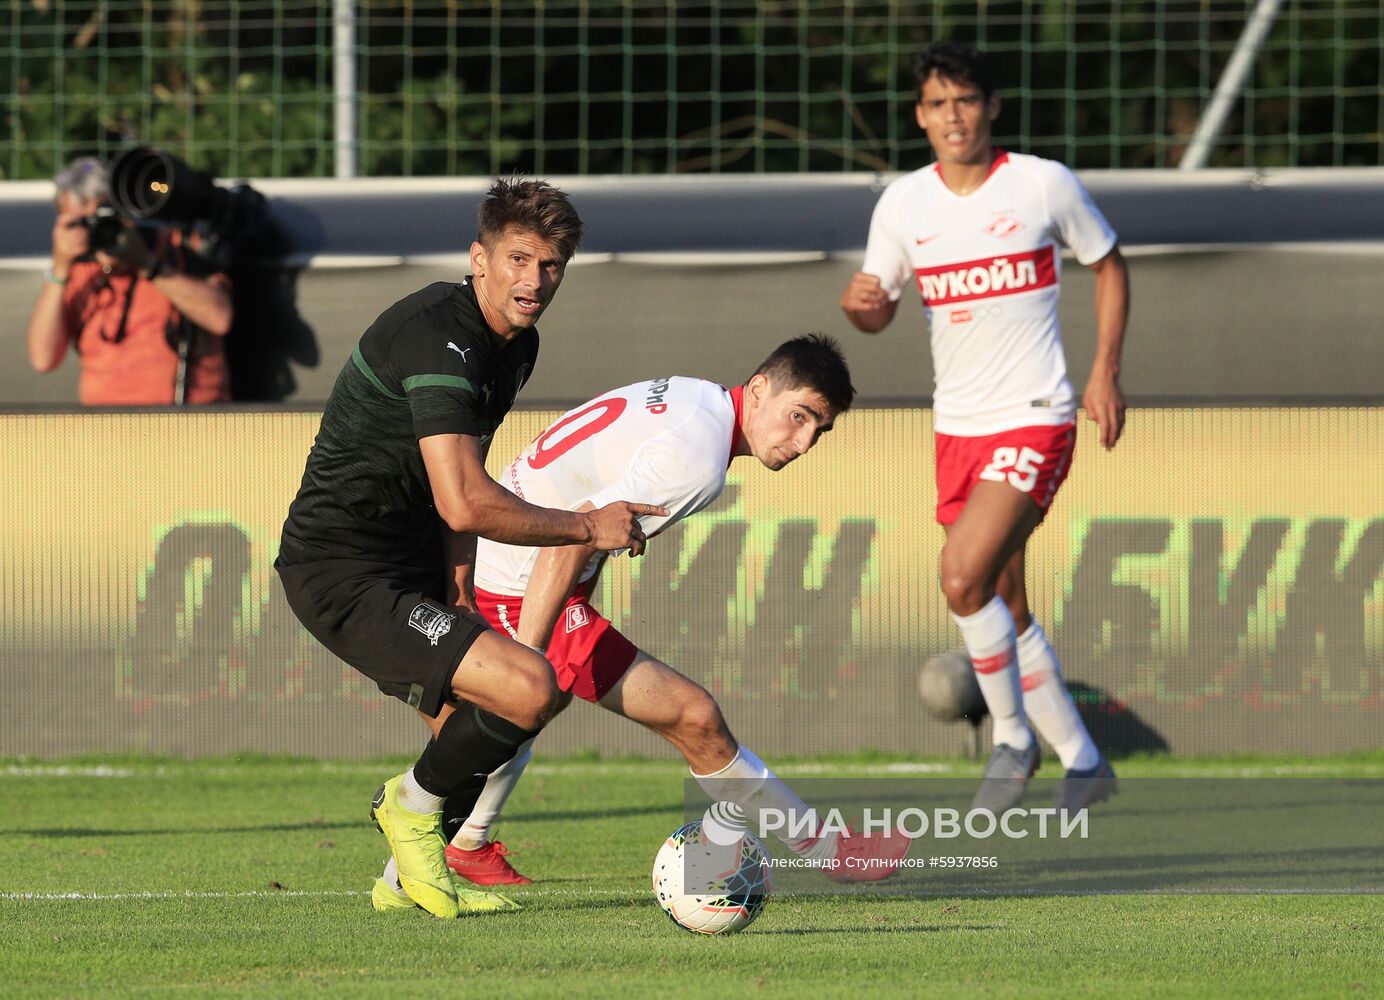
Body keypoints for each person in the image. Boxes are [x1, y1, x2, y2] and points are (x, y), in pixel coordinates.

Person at [371, 335, 911, 899]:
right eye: (798, 416)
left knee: (523, 714)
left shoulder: (695, 397)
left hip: (502, 557)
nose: (802, 442)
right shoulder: (698, 460)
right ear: (759, 388)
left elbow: (587, 506)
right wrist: (527, 659)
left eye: (818, 430)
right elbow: (577, 532)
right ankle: (829, 852)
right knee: (691, 715)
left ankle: (448, 853)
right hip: (517, 581)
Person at [275, 177, 665, 920]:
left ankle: (404, 885)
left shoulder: (514, 347)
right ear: (478, 258)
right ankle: (405, 807)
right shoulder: (439, 336)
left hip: (410, 565)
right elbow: (463, 498)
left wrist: (457, 595)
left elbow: (463, 481)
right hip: (340, 569)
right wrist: (587, 526)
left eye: (551, 265)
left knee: (476, 729)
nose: (534, 281)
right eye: (518, 259)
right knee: (529, 687)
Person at [838, 41, 1130, 814]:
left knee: (961, 578)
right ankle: (1086, 760)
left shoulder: (1041, 184)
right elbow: (877, 305)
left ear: (991, 107)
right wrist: (861, 310)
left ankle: (1012, 739)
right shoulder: (903, 204)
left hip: (1035, 417)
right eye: (937, 104)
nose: (953, 116)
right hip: (956, 429)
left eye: (965, 99)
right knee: (1005, 602)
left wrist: (1103, 370)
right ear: (920, 117)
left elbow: (1109, 263)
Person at [26, 156, 234, 405]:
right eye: (83, 223)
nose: (99, 231)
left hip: (189, 425)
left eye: (106, 218)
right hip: (108, 430)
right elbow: (43, 359)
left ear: (128, 208)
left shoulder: (176, 247)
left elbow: (219, 318)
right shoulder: (79, 270)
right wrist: (59, 269)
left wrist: (146, 264)